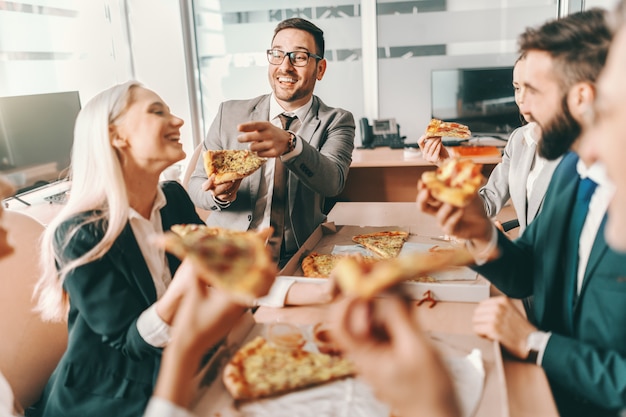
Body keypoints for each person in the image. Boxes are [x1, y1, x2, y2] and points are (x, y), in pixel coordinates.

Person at [418, 9, 626, 417]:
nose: (521, 104)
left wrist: (535, 342)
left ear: (581, 98)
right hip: (543, 390)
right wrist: (480, 232)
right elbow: (529, 270)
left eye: (532, 90)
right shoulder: (572, 168)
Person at [28, 81, 251, 417]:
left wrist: (322, 292)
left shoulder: (174, 198)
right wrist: (189, 280)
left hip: (182, 375)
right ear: (117, 136)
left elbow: (228, 278)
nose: (178, 121)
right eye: (157, 111)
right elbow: (133, 343)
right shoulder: (78, 234)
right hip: (113, 399)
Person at [187, 17, 355, 270]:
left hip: (298, 256)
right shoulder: (229, 113)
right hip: (229, 254)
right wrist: (217, 195)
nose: (285, 66)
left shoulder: (337, 120)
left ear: (320, 69)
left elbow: (333, 182)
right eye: (277, 54)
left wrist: (291, 145)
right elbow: (195, 185)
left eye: (299, 57)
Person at [419, 56, 561, 236]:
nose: (521, 98)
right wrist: (446, 164)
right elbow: (485, 205)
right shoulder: (519, 140)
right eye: (517, 88)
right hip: (526, 256)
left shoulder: (580, 151)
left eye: (531, 88)